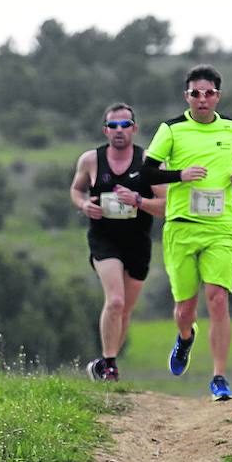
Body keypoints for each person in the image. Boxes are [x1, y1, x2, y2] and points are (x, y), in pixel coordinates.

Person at [141, 64, 232, 401]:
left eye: (209, 93)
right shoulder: (171, 129)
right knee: (185, 310)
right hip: (181, 228)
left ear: (218, 96)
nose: (202, 99)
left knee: (218, 299)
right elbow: (146, 174)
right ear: (186, 96)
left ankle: (219, 377)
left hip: (220, 228)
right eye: (195, 93)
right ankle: (186, 338)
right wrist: (179, 175)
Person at [69, 102, 167, 382]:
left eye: (125, 125)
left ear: (134, 128)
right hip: (104, 239)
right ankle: (111, 367)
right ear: (105, 130)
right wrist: (84, 205)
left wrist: (137, 200)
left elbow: (166, 205)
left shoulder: (149, 162)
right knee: (115, 301)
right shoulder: (91, 160)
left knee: (124, 312)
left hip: (138, 242)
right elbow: (76, 190)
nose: (119, 130)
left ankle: (103, 363)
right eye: (113, 125)